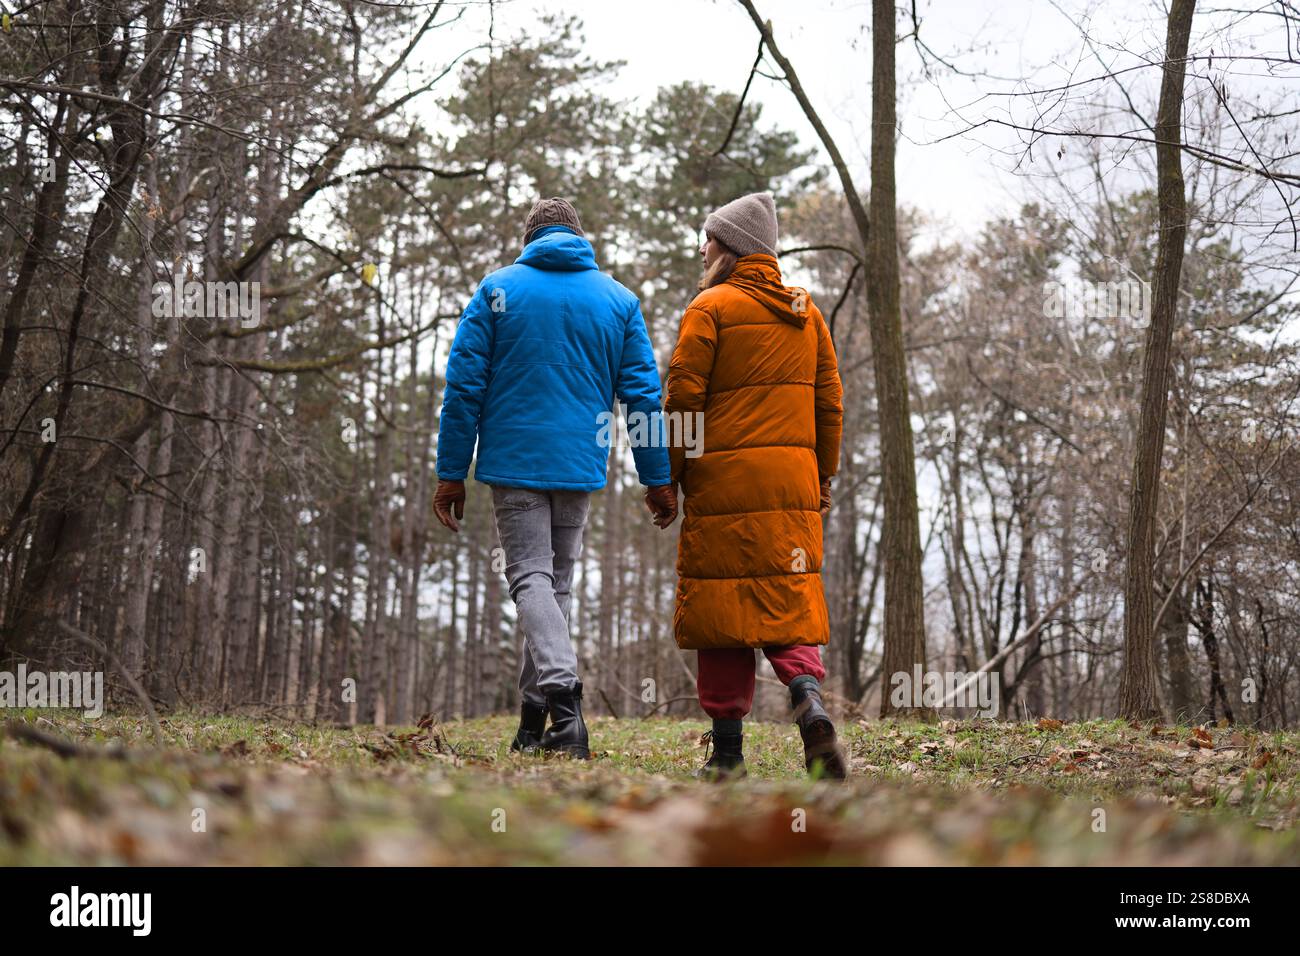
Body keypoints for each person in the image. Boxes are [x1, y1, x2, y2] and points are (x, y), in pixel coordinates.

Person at [433, 198, 678, 759]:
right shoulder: (618, 300)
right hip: (577, 462)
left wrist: (451, 473)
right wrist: (657, 478)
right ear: (578, 235)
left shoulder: (497, 289)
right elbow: (642, 397)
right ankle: (531, 723)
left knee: (530, 580)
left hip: (515, 461)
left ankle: (565, 706)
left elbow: (464, 388)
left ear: (530, 238)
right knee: (552, 585)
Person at [665, 191, 848, 780]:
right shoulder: (807, 311)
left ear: (733, 248)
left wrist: (670, 475)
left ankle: (727, 757)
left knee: (724, 612)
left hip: (722, 485)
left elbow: (683, 398)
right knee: (785, 605)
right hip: (791, 487)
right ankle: (808, 699)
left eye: (710, 239)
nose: (702, 248)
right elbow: (830, 404)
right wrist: (822, 476)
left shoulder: (710, 307)